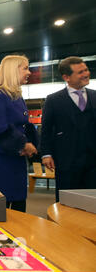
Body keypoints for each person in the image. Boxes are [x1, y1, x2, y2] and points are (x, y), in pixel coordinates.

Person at [0, 55, 38, 212]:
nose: (29, 72)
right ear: (12, 70)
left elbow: (24, 125)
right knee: (5, 199)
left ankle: (19, 234)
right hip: (3, 155)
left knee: (19, 197)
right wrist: (24, 144)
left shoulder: (17, 95)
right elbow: (1, 127)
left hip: (17, 154)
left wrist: (33, 146)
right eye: (25, 68)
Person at [40, 56, 96, 202]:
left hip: (93, 162)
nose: (86, 74)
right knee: (67, 205)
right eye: (80, 72)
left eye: (86, 70)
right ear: (66, 77)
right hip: (66, 161)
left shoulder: (95, 96)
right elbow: (46, 129)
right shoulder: (53, 100)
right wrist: (46, 154)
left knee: (92, 204)